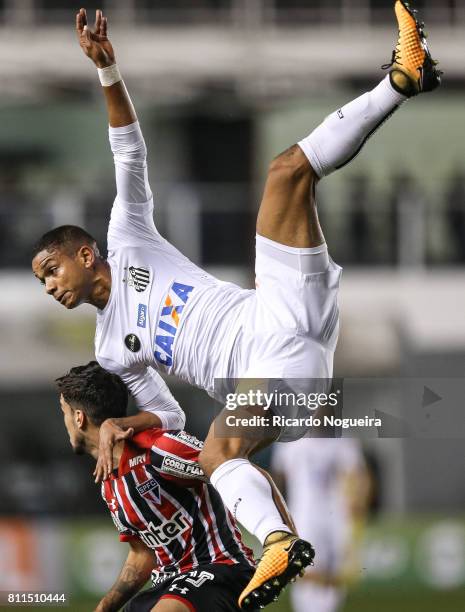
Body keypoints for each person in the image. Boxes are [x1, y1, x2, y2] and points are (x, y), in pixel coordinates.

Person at [32, 2, 440, 607]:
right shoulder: (110, 350)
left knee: (286, 171)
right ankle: (279, 540)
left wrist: (108, 73)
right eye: (40, 281)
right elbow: (169, 421)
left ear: (86, 254)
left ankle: (404, 77)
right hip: (265, 374)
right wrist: (123, 421)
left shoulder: (129, 236)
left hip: (279, 314)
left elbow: (129, 154)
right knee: (218, 450)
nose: (49, 286)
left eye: (50, 269)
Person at [56, 360, 258, 612]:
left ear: (78, 417)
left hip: (220, 570)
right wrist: (105, 606)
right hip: (168, 583)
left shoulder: (159, 449)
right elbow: (143, 553)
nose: (64, 421)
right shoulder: (109, 483)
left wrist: (276, 534)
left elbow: (234, 469)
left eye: (63, 411)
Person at [272, 439, 371, 612]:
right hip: (303, 515)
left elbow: (359, 477)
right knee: (303, 570)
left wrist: (358, 505)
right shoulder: (290, 441)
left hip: (336, 518)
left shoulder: (343, 441)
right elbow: (278, 479)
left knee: (334, 574)